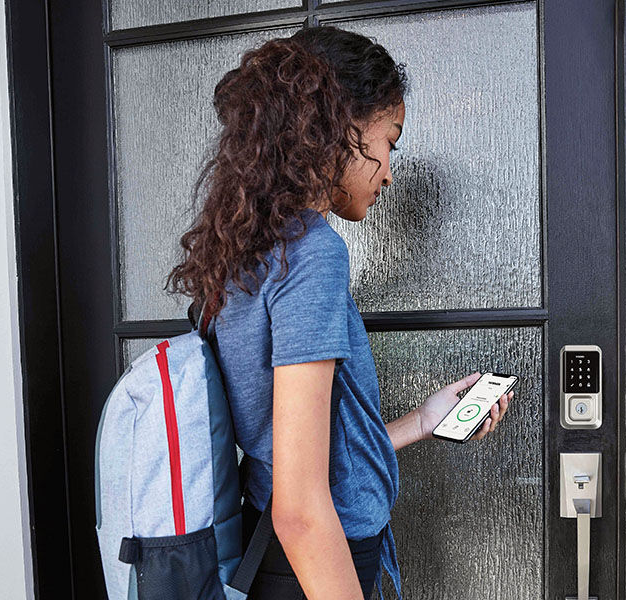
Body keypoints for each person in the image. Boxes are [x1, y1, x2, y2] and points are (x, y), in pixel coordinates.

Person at [166, 25, 512, 600]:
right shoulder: (312, 252)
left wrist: (424, 421)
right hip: (318, 561)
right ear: (340, 128)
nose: (389, 172)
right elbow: (302, 510)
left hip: (281, 556)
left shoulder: (253, 247)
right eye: (390, 142)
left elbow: (296, 450)